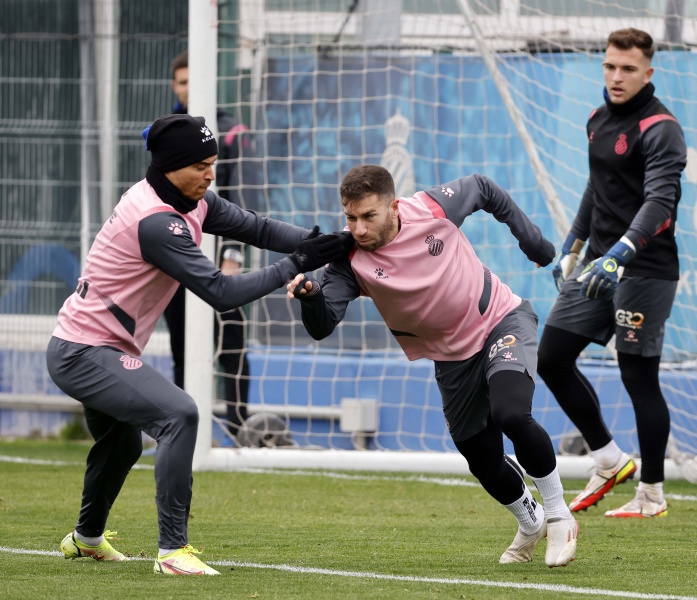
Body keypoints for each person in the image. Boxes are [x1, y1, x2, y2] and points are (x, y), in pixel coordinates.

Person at [46, 113, 352, 575]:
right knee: (179, 414)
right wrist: (297, 263)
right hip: (82, 352)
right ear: (171, 167)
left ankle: (86, 540)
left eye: (213, 164)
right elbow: (220, 292)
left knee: (123, 445)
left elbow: (258, 228)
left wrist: (324, 242)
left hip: (98, 348)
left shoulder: (193, 200)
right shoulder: (155, 221)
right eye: (200, 166)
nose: (210, 175)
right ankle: (173, 551)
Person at [287, 164, 579, 567]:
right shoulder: (348, 261)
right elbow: (322, 326)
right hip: (451, 359)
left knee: (510, 412)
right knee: (481, 459)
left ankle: (560, 514)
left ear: (393, 207)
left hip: (500, 321)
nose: (359, 229)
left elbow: (483, 187)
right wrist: (310, 297)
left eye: (369, 216)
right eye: (351, 218)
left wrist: (533, 241)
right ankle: (532, 521)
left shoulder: (430, 207)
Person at [538, 28, 686, 518]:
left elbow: (660, 203)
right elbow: (597, 187)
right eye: (610, 66)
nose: (616, 77)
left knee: (637, 377)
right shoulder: (597, 119)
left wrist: (620, 253)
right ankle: (607, 459)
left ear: (648, 72)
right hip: (597, 264)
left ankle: (652, 494)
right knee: (552, 357)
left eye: (627, 69)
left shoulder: (661, 128)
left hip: (643, 269)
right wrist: (572, 247)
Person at [166, 50, 254, 391]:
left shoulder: (231, 131)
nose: (188, 88)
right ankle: (181, 421)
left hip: (218, 258)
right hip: (176, 253)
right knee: (182, 348)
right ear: (174, 86)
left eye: (194, 80)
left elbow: (242, 195)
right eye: (182, 82)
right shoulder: (165, 133)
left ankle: (237, 420)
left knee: (232, 346)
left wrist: (232, 254)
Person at [215, 245, 249, 437]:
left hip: (217, 272)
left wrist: (231, 256)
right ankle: (179, 432)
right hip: (177, 265)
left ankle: (236, 433)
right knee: (183, 354)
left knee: (233, 355)